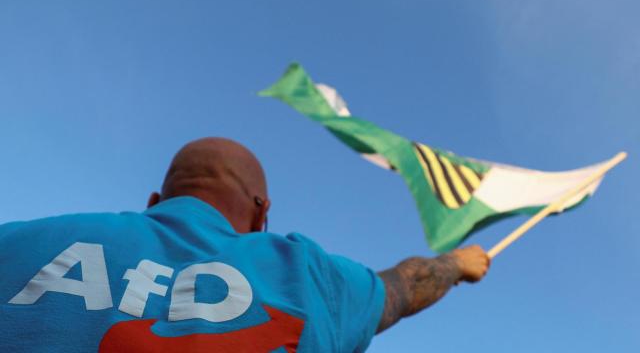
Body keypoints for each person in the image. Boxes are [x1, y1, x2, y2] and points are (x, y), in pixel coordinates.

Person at [0, 137, 490, 352]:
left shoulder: (19, 241)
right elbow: (403, 288)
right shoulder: (308, 277)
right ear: (261, 214)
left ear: (154, 200)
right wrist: (457, 263)